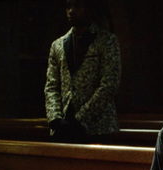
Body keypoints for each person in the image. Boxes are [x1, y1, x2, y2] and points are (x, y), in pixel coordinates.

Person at [44, 0, 121, 142]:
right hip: (63, 126)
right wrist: (55, 118)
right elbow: (51, 86)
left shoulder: (107, 41)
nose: (71, 11)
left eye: (77, 6)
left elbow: (109, 84)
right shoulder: (58, 45)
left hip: (96, 127)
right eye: (68, 6)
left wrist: (79, 119)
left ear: (89, 9)